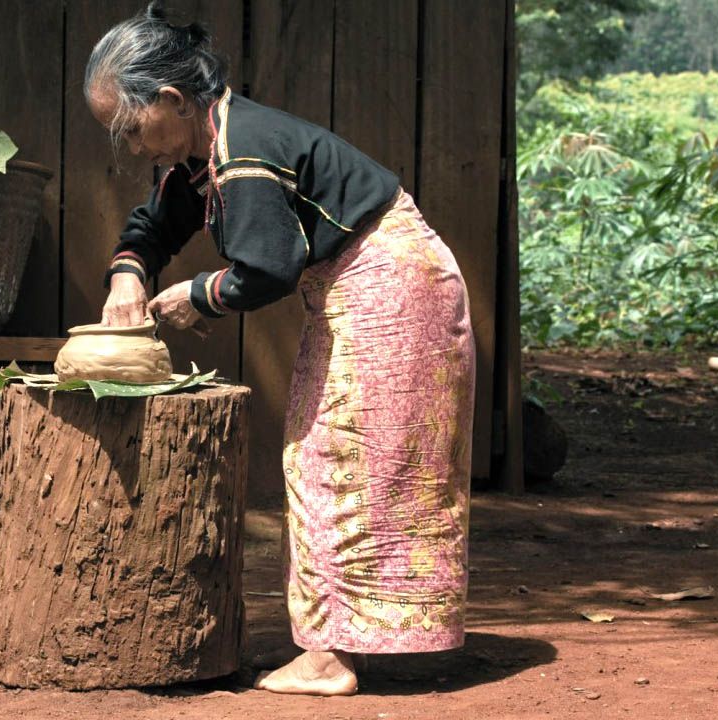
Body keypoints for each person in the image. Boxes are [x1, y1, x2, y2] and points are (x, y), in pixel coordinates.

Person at [84, 2, 476, 697]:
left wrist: (195, 296)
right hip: (377, 284)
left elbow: (266, 268)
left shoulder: (246, 150)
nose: (134, 148)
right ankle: (350, 639)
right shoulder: (209, 145)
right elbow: (153, 223)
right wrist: (127, 275)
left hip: (390, 283)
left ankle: (331, 657)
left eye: (132, 127)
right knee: (333, 454)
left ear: (172, 100)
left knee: (340, 457)